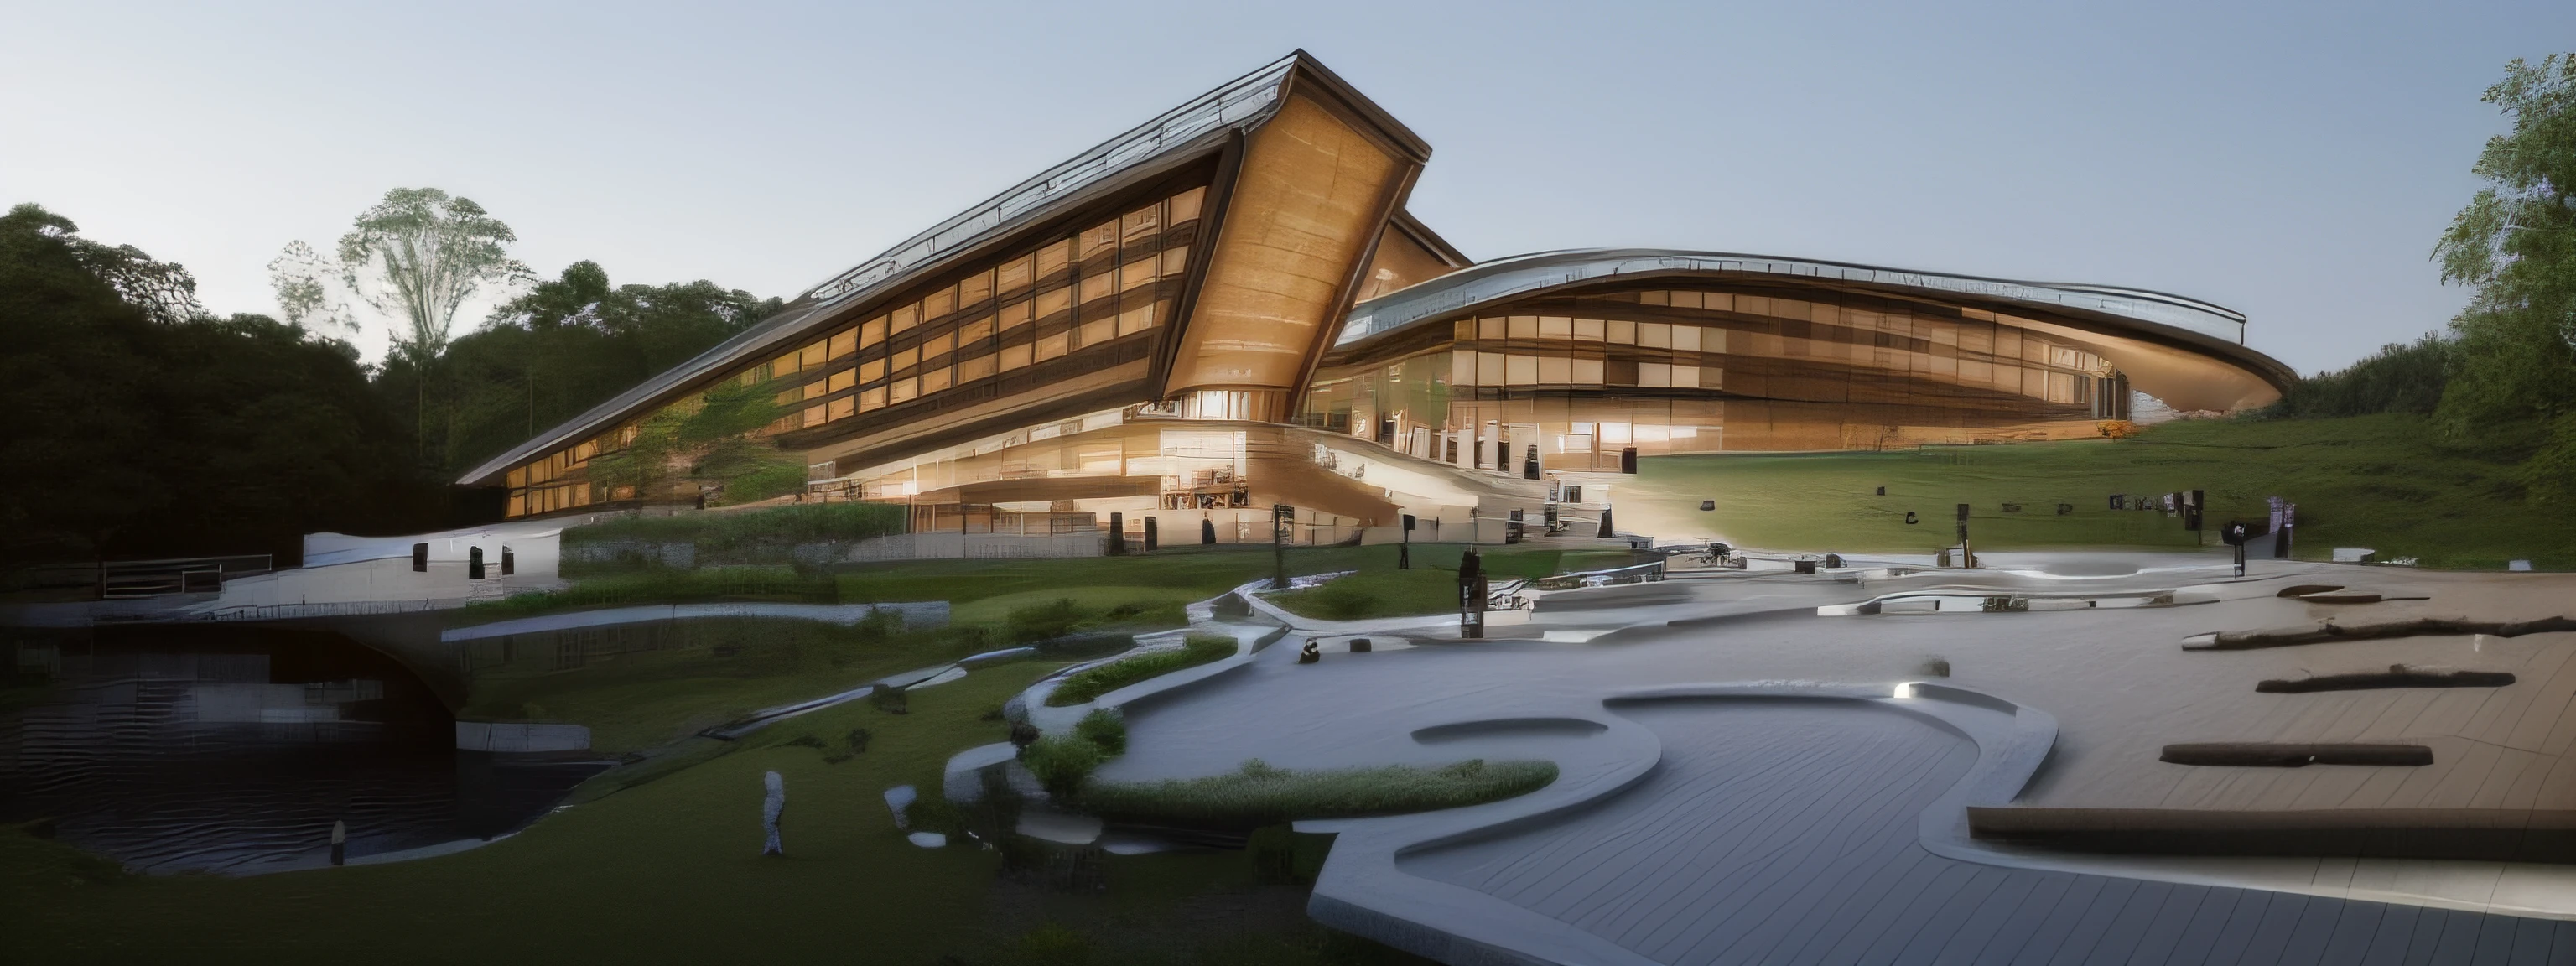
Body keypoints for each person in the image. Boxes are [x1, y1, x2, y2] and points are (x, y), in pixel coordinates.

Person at [761, 771, 787, 856]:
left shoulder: (777, 795)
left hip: (774, 800)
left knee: (771, 824)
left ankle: (775, 848)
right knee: (769, 824)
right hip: (771, 800)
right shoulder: (776, 795)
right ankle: (772, 847)